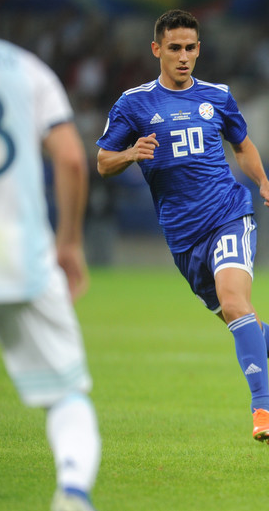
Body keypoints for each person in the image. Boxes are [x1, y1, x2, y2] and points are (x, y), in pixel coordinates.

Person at [96, 9, 269, 443]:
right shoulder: (133, 104)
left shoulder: (217, 96)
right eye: (174, 48)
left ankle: (262, 411)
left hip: (229, 214)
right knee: (238, 318)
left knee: (236, 303)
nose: (183, 56)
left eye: (191, 48)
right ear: (157, 49)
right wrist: (130, 155)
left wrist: (265, 183)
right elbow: (103, 162)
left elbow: (243, 144)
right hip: (182, 235)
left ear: (199, 49)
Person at [0, 39, 101, 510]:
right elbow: (71, 158)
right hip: (22, 255)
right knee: (66, 396)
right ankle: (73, 492)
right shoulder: (27, 70)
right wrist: (69, 242)